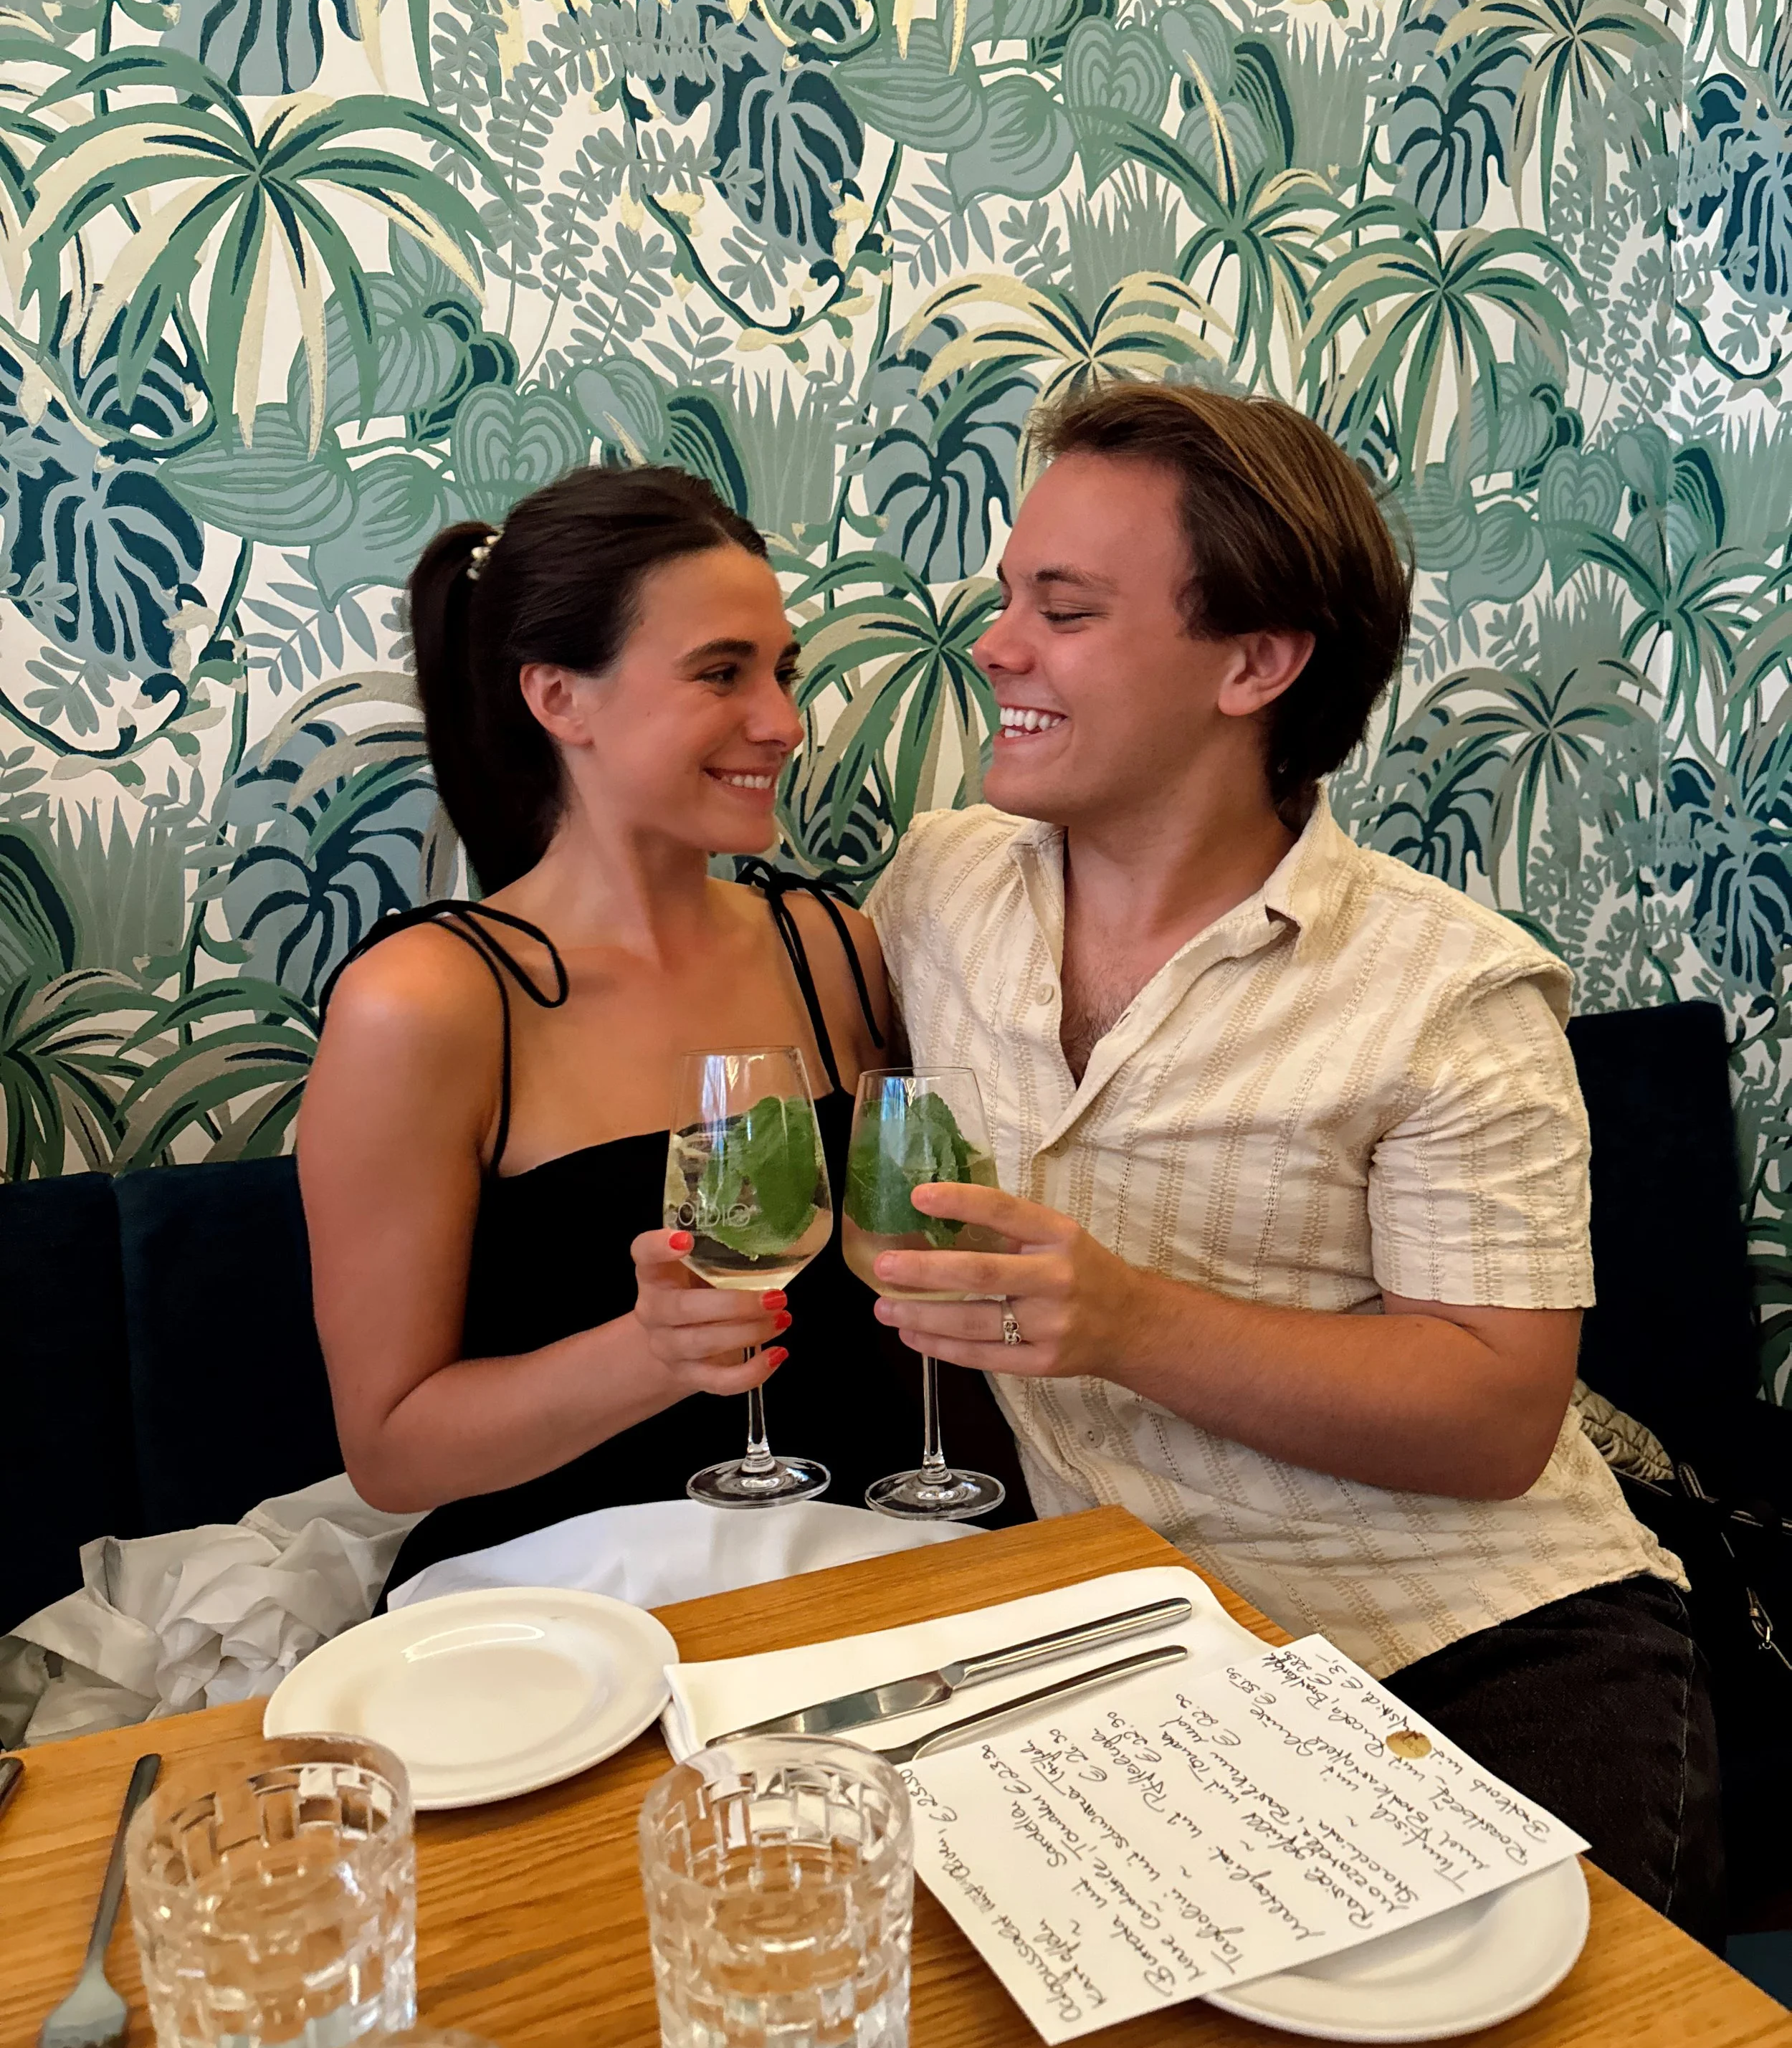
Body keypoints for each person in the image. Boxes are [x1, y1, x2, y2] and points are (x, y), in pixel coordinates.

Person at [864, 380, 1723, 1944]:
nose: (993, 647)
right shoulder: (936, 889)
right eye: (1006, 598)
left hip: (1478, 1633)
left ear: (1252, 664)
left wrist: (1126, 1320)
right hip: (1132, 1647)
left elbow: (1492, 1413)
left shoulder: (1449, 991)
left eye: (1061, 610)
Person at [297, 465, 1016, 1599]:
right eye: (720, 674)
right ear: (558, 700)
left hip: (861, 1559)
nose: (782, 722)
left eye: (781, 671)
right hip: (577, 1586)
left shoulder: (827, 942)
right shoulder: (431, 1001)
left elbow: (901, 1304)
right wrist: (650, 1356)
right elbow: (393, 1452)